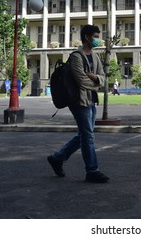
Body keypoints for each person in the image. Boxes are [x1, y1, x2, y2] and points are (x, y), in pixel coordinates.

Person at [47, 24, 109, 183]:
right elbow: (81, 81)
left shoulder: (95, 56)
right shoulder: (76, 56)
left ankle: (57, 158)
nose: (97, 39)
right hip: (78, 101)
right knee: (88, 136)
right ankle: (92, 170)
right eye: (95, 36)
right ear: (87, 37)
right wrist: (97, 83)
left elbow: (103, 76)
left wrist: (95, 78)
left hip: (91, 99)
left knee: (84, 135)